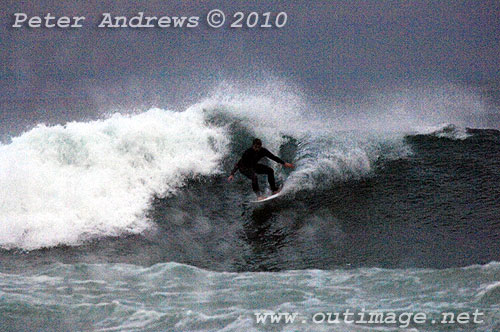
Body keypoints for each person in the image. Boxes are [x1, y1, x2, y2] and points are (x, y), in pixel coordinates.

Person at [227, 138, 294, 200]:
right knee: (254, 177)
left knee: (270, 171)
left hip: (253, 166)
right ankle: (259, 196)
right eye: (255, 147)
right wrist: (232, 174)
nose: (257, 149)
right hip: (243, 168)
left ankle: (274, 190)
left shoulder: (263, 151)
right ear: (253, 146)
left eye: (258, 147)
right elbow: (238, 163)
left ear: (260, 146)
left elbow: (273, 157)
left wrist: (284, 163)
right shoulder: (248, 152)